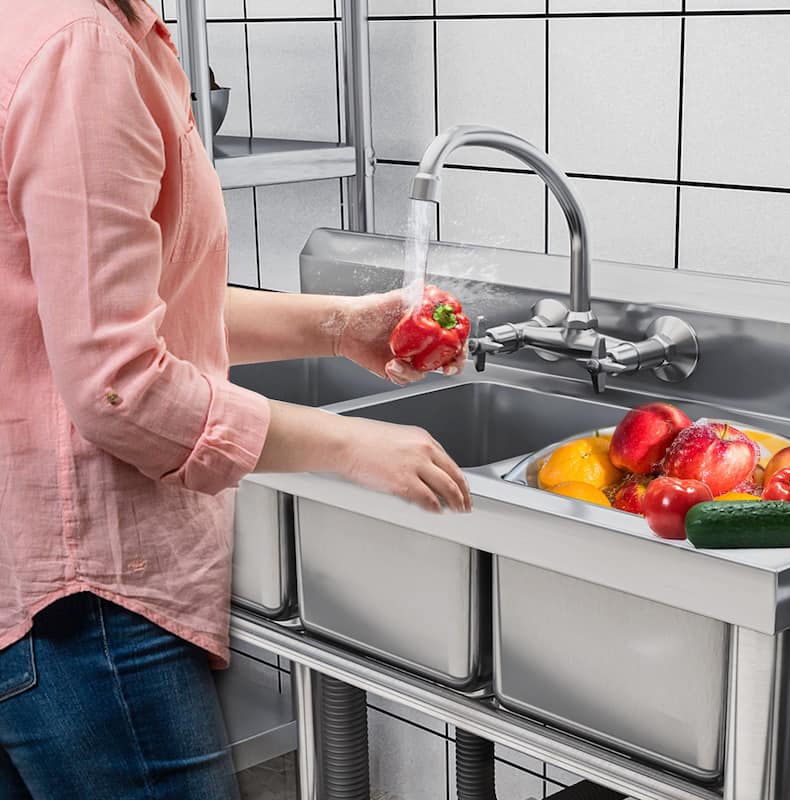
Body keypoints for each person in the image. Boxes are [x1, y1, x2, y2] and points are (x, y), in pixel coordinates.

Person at [0, 1, 471, 797]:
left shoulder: (55, 26)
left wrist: (337, 326)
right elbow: (121, 387)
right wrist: (349, 445)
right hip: (87, 604)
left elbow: (120, 305)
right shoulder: (82, 49)